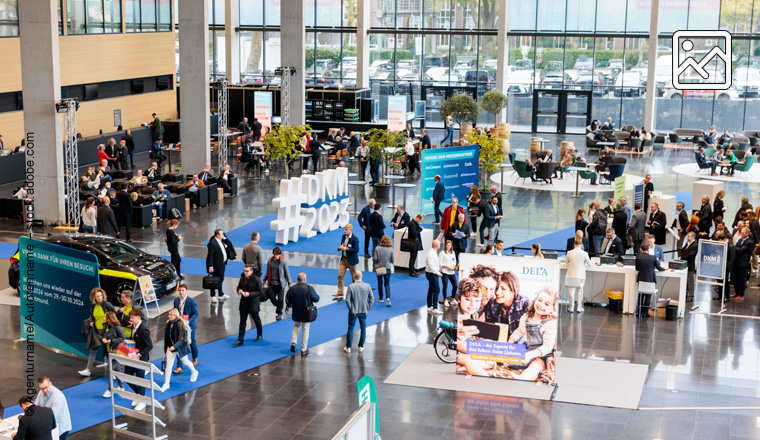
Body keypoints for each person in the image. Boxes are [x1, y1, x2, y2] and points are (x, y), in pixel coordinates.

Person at [79, 288, 115, 377]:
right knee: (93, 350)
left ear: (103, 296)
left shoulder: (107, 305)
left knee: (108, 351)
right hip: (96, 330)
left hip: (106, 331)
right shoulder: (93, 306)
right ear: (94, 297)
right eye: (97, 296)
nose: (99, 298)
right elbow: (92, 317)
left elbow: (114, 315)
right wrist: (91, 322)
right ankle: (88, 370)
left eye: (100, 296)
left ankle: (113, 372)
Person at [159, 308, 198, 392]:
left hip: (180, 347)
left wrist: (174, 346)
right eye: (169, 314)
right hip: (171, 348)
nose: (169, 316)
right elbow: (166, 338)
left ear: (175, 316)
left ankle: (194, 372)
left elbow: (182, 338)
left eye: (171, 315)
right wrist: (166, 351)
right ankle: (166, 384)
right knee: (169, 365)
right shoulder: (168, 324)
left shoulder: (180, 324)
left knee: (185, 361)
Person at [124, 308, 153, 411]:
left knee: (140, 379)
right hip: (132, 356)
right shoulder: (134, 327)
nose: (130, 319)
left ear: (138, 318)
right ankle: (138, 395)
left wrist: (139, 354)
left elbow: (149, 346)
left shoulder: (143, 329)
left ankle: (143, 401)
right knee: (127, 376)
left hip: (140, 358)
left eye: (132, 317)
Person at [286, 273, 320, 355]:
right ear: (305, 279)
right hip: (306, 312)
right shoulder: (309, 288)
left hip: (296, 311)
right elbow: (316, 299)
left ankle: (293, 342)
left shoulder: (292, 288)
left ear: (298, 279)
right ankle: (304, 349)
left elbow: (288, 299)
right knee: (305, 329)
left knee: (296, 325)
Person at [343, 271, 374, 354]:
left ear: (354, 276)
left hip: (354, 311)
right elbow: (372, 299)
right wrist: (367, 308)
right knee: (363, 328)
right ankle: (361, 346)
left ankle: (348, 347)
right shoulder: (367, 286)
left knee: (350, 328)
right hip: (364, 311)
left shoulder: (351, 286)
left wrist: (351, 309)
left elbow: (347, 300)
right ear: (362, 276)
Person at [233, 265, 264, 346]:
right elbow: (238, 287)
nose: (245, 272)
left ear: (251, 271)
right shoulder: (242, 278)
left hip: (253, 303)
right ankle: (240, 339)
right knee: (242, 322)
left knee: (256, 320)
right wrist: (239, 290)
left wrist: (249, 294)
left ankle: (259, 335)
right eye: (244, 270)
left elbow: (260, 292)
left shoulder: (257, 280)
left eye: (247, 271)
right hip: (243, 303)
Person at [171, 285, 198, 371]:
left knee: (192, 342)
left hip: (189, 326)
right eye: (179, 290)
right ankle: (179, 366)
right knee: (180, 343)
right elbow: (175, 312)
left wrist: (188, 321)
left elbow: (195, 313)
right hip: (179, 325)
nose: (181, 292)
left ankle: (194, 357)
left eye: (182, 290)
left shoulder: (191, 301)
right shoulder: (176, 300)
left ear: (186, 291)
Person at [100, 311, 127, 398]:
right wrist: (103, 339)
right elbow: (101, 335)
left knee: (109, 369)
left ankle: (110, 389)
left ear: (109, 318)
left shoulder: (117, 327)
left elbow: (123, 338)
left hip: (117, 351)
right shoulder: (105, 326)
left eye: (105, 317)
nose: (104, 318)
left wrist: (112, 341)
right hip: (109, 351)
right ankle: (121, 386)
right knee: (117, 369)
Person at [635, 243, 665, 318]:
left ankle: (639, 312)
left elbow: (637, 268)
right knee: (648, 295)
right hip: (650, 278)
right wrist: (664, 269)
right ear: (648, 250)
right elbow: (659, 268)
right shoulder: (653, 257)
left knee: (641, 294)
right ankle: (645, 312)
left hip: (641, 278)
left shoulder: (638, 257)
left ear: (641, 250)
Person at [264, 247, 292, 320]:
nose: (275, 256)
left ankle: (279, 313)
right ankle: (279, 306)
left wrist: (289, 283)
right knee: (272, 298)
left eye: (276, 255)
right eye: (274, 254)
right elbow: (267, 272)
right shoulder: (270, 261)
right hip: (272, 283)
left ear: (279, 254)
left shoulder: (283, 262)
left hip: (280, 284)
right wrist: (264, 280)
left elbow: (287, 273)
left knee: (280, 299)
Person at [566, 238, 592, 312]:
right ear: (581, 245)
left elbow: (566, 261)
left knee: (571, 290)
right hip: (580, 275)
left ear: (574, 245)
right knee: (580, 290)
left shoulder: (569, 253)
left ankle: (571, 307)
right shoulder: (584, 253)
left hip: (571, 274)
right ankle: (579, 307)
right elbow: (590, 264)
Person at [336, 223, 360, 298]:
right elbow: (341, 244)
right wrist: (339, 247)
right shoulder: (343, 236)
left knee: (354, 277)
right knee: (340, 275)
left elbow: (356, 250)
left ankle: (355, 291)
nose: (344, 231)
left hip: (351, 261)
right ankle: (340, 291)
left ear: (350, 230)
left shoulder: (355, 238)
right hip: (343, 259)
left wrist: (347, 249)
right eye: (344, 229)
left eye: (346, 230)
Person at [206, 229, 230, 303]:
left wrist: (225, 239)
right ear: (218, 235)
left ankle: (220, 294)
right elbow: (210, 255)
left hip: (222, 263)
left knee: (221, 279)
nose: (223, 235)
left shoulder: (222, 241)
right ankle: (213, 296)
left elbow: (229, 244)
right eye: (222, 234)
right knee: (213, 280)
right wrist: (211, 266)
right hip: (216, 265)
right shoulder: (213, 243)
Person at [732, 227, 753, 301]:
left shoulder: (749, 242)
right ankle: (737, 292)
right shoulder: (740, 240)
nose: (741, 234)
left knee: (741, 279)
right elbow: (737, 248)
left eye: (743, 233)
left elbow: (742, 250)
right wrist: (738, 249)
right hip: (737, 261)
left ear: (747, 233)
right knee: (735, 278)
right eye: (741, 233)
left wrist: (738, 249)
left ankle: (741, 294)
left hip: (743, 263)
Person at [373, 235, 394, 306]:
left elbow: (375, 259)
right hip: (387, 268)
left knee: (380, 283)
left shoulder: (377, 248)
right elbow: (392, 260)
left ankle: (381, 298)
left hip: (379, 268)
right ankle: (388, 298)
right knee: (387, 284)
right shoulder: (390, 249)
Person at [679, 231, 698, 302]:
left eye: (689, 236)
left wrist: (682, 257)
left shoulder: (695, 245)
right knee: (686, 281)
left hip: (690, 265)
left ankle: (691, 295)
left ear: (693, 237)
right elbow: (682, 250)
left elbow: (691, 255)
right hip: (685, 264)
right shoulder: (687, 243)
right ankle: (686, 294)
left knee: (690, 281)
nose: (687, 237)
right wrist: (680, 255)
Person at [425, 239, 443, 315]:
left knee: (431, 289)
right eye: (439, 244)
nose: (440, 245)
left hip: (431, 273)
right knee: (436, 290)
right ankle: (435, 307)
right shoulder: (431, 254)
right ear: (436, 245)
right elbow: (431, 265)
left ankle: (429, 306)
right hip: (431, 274)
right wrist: (438, 273)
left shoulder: (432, 252)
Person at [439, 240, 458, 307]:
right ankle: (445, 300)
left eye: (450, 245)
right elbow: (440, 263)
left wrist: (453, 266)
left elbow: (454, 261)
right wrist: (447, 266)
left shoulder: (453, 252)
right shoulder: (442, 253)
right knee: (445, 286)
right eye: (447, 245)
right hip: (445, 272)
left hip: (452, 272)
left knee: (455, 286)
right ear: (445, 245)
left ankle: (453, 299)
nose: (448, 247)